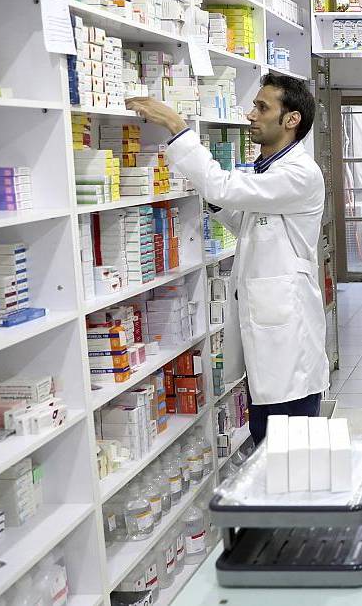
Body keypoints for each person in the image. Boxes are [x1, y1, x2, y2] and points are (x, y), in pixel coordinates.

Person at [127, 73, 329, 445]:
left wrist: (176, 126)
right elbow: (253, 226)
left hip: (289, 346)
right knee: (266, 439)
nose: (251, 114)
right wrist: (219, 203)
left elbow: (223, 186)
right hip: (268, 340)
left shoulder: (300, 174)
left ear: (291, 119)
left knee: (290, 452)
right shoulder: (270, 170)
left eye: (262, 107)